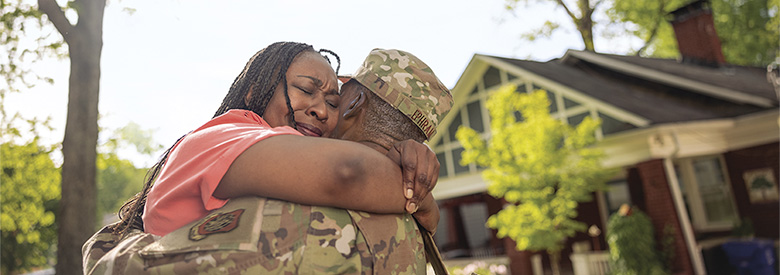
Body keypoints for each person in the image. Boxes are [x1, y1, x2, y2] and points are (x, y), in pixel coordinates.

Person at [83, 43, 446, 274]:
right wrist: (424, 202)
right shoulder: (222, 135)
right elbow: (348, 171)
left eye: (333, 102)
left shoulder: (287, 158)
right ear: (257, 90)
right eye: (306, 90)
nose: (321, 110)